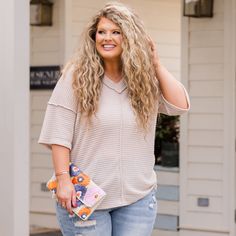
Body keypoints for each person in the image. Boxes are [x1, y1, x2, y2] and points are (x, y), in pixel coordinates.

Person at [39, 2, 190, 236]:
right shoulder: (75, 77)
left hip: (137, 200)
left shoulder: (143, 81)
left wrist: (156, 64)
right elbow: (59, 133)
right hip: (86, 197)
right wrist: (63, 179)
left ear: (129, 37)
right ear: (94, 37)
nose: (107, 38)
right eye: (102, 32)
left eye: (116, 32)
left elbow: (180, 105)